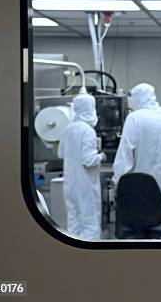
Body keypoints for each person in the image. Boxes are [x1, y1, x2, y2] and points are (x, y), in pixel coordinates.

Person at [112, 83, 161, 239]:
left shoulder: (135, 118)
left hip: (141, 193)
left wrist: (117, 183)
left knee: (143, 232)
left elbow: (124, 156)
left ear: (136, 99)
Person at [57, 94, 106, 240]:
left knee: (73, 223)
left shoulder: (67, 129)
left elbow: (60, 154)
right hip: (85, 185)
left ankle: (74, 257)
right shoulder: (88, 130)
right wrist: (101, 156)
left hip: (70, 184)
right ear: (90, 108)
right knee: (90, 223)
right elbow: (89, 161)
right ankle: (90, 259)